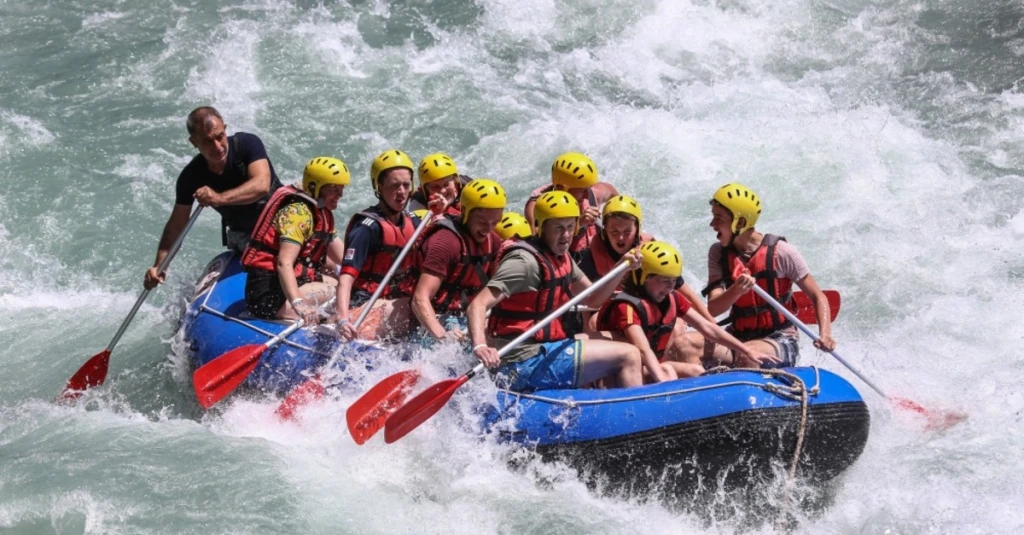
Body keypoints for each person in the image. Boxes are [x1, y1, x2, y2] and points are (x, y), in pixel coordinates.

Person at [467, 191, 645, 392]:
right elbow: (478, 305)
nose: (566, 235)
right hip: (521, 361)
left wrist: (621, 267)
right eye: (559, 228)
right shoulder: (524, 263)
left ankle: (610, 406)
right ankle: (638, 417)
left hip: (541, 349)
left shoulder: (562, 258)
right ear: (542, 228)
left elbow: (594, 300)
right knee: (629, 355)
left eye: (570, 227)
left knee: (617, 342)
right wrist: (480, 347)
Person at [596, 241, 778, 381]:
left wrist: (745, 350)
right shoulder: (626, 307)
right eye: (664, 280)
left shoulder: (672, 298)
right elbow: (643, 349)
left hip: (651, 364)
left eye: (674, 280)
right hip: (625, 372)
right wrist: (662, 381)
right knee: (667, 371)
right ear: (644, 277)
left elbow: (707, 328)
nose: (671, 287)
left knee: (696, 371)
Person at [145, 106, 283, 289]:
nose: (217, 147)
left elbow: (262, 184)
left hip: (285, 221)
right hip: (247, 236)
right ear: (194, 142)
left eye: (219, 137)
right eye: (208, 141)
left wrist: (218, 198)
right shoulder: (191, 176)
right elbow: (176, 226)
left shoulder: (248, 144)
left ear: (225, 129)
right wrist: (159, 265)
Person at [702, 183, 835, 368]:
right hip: (738, 335)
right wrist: (736, 291)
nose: (712, 224)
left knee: (746, 356)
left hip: (779, 338)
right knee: (684, 345)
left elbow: (817, 296)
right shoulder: (718, 253)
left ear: (739, 223)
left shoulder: (783, 252)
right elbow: (713, 309)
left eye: (718, 218)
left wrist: (825, 334)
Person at [241, 157, 349, 324]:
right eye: (334, 189)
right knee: (339, 292)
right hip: (268, 293)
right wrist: (299, 304)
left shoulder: (321, 212)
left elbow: (344, 256)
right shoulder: (297, 214)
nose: (340, 195)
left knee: (343, 285)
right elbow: (284, 263)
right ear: (315, 188)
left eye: (341, 189)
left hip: (293, 282)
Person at [336, 149, 423, 341]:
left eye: (406, 185)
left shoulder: (415, 223)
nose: (401, 192)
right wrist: (343, 320)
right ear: (379, 187)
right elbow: (345, 280)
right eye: (394, 186)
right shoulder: (367, 227)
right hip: (363, 307)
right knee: (415, 306)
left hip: (390, 303)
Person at [405, 179, 507, 342]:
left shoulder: (492, 241)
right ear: (465, 212)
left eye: (494, 222)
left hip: (468, 317)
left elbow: (496, 289)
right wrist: (443, 336)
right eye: (482, 222)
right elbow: (420, 299)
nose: (488, 229)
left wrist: (488, 319)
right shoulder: (446, 242)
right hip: (433, 322)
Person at [523, 152, 618, 262]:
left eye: (588, 188)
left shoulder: (592, 194)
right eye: (582, 191)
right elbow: (539, 244)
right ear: (560, 187)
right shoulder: (537, 207)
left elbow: (612, 192)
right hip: (564, 262)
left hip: (594, 257)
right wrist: (580, 224)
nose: (587, 195)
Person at [407, 152, 471, 217]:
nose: (442, 191)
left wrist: (446, 210)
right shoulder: (418, 203)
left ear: (455, 182)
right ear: (425, 190)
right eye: (435, 186)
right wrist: (433, 214)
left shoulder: (470, 190)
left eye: (446, 184)